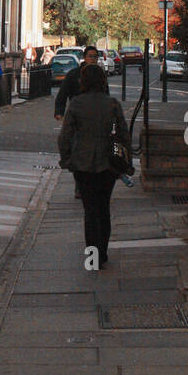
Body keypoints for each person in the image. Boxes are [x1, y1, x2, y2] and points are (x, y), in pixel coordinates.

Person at [58, 61, 131, 269]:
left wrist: (66, 159)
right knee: (103, 208)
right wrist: (126, 164)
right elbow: (124, 136)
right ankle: (103, 252)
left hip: (82, 164)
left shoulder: (76, 104)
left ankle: (92, 257)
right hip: (108, 164)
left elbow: (65, 137)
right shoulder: (112, 104)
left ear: (84, 82)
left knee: (90, 211)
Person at [55, 45, 107, 198]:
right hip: (78, 117)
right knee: (79, 151)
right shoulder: (74, 74)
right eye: (91, 56)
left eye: (95, 57)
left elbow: (106, 95)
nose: (93, 59)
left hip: (97, 118)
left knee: (97, 150)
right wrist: (59, 112)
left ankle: (93, 182)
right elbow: (62, 94)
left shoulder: (100, 75)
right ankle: (80, 186)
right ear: (85, 57)